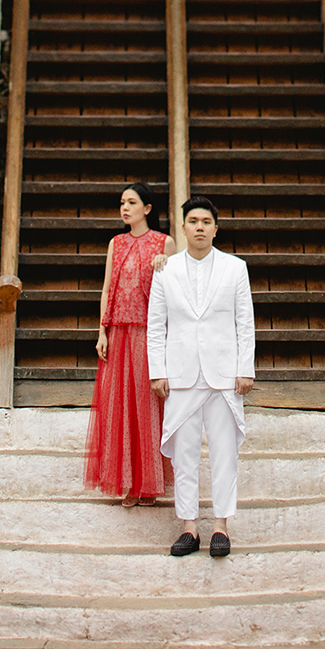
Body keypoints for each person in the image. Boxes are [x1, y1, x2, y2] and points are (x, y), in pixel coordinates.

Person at [147, 195, 255, 557]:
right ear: (183, 227)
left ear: (215, 229)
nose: (199, 228)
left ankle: (221, 525)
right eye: (193, 221)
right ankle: (189, 527)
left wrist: (245, 369)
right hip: (181, 374)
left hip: (224, 374)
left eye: (206, 222)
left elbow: (245, 322)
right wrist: (157, 371)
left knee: (224, 452)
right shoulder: (165, 269)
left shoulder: (235, 268)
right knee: (185, 454)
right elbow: (155, 325)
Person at [82, 182, 177, 506]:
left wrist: (166, 265)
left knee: (146, 405)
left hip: (149, 333)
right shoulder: (116, 243)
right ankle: (128, 482)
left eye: (132, 202)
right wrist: (102, 331)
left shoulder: (164, 242)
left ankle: (148, 484)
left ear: (147, 208)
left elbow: (177, 290)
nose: (125, 208)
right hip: (119, 331)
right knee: (119, 406)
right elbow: (108, 288)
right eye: (122, 202)